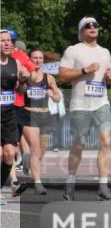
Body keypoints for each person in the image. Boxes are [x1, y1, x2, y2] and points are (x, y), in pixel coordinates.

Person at [59, 17, 111, 201]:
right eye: (87, 26)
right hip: (80, 105)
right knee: (79, 144)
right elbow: (62, 76)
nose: (92, 28)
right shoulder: (73, 50)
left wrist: (110, 76)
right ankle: (70, 181)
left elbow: (110, 76)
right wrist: (84, 70)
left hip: (101, 103)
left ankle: (103, 186)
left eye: (95, 25)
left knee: (106, 141)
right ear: (81, 31)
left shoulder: (105, 52)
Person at [14, 50, 63, 196]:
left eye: (40, 58)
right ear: (30, 59)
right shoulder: (25, 75)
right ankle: (38, 183)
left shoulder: (49, 78)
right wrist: (23, 81)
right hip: (28, 114)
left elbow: (58, 97)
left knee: (42, 150)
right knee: (35, 147)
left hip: (44, 115)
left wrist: (52, 95)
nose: (37, 60)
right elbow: (20, 91)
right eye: (34, 58)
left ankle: (28, 161)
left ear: (43, 60)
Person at [1, 30, 30, 203]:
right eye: (2, 41)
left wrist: (24, 80)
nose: (7, 43)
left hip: (9, 114)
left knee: (9, 154)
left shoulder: (16, 64)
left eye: (9, 41)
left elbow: (20, 90)